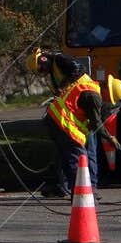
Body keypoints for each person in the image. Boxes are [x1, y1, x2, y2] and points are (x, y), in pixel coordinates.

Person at [41, 52, 100, 197]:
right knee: (70, 154)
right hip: (72, 114)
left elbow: (78, 69)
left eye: (41, 68)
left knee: (84, 153)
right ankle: (68, 186)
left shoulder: (60, 59)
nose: (43, 72)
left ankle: (89, 187)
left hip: (80, 108)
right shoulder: (55, 71)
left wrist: (64, 86)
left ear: (43, 59)